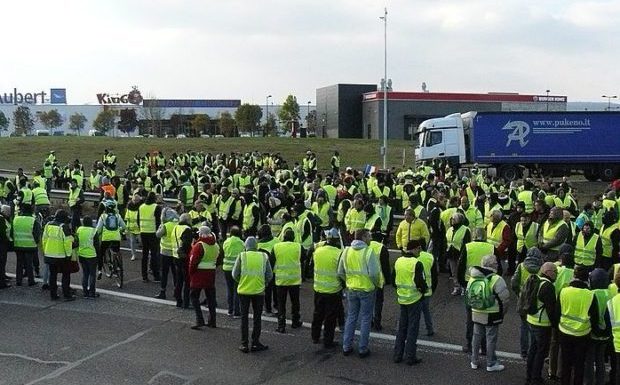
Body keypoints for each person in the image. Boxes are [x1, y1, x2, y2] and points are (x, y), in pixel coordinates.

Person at [338, 229, 382, 358]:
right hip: (367, 289)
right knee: (366, 318)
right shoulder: (369, 252)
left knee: (351, 317)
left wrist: (349, 281)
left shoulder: (346, 251)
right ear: (363, 237)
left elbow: (340, 272)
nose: (370, 239)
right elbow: (374, 273)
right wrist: (375, 284)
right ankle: (363, 348)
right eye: (369, 236)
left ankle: (346, 346)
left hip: (352, 288)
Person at [557, 265, 599, 385]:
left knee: (566, 363)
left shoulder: (564, 291)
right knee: (579, 364)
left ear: (574, 277)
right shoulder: (590, 295)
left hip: (564, 331)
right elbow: (594, 317)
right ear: (587, 279)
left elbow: (557, 313)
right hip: (582, 333)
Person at [468, 254, 510, 372]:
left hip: (476, 310)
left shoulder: (473, 277)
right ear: (492, 265)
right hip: (492, 313)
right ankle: (491, 363)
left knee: (476, 336)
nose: (497, 264)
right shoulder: (496, 279)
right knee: (491, 338)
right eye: (496, 263)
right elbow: (505, 299)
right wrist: (503, 313)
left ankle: (474, 361)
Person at [232, 237, 273, 353]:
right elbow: (269, 275)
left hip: (244, 291)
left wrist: (242, 281)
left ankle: (244, 344)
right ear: (257, 246)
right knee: (257, 318)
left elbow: (235, 274)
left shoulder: (242, 256)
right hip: (259, 291)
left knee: (244, 318)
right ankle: (255, 342)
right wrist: (263, 283)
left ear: (246, 246)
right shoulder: (263, 256)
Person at [393, 239, 429, 365]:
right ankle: (410, 356)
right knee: (412, 329)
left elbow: (393, 280)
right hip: (414, 299)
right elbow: (421, 283)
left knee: (402, 327)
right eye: (419, 248)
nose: (420, 251)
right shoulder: (417, 263)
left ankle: (397, 354)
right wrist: (423, 291)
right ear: (414, 249)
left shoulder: (398, 261)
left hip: (402, 298)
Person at [525, 262, 558, 385]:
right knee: (541, 352)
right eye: (555, 272)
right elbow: (551, 309)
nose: (556, 274)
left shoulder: (534, 280)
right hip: (542, 323)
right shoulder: (548, 286)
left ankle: (529, 376)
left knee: (532, 350)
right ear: (548, 272)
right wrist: (555, 324)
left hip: (531, 320)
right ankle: (536, 378)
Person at [311, 228, 343, 348]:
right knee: (330, 318)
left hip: (318, 288)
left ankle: (315, 336)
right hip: (333, 290)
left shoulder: (318, 251)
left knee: (317, 314)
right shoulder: (339, 253)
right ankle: (328, 341)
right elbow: (341, 272)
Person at [584, 268, 611, 385]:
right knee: (600, 360)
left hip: (593, 333)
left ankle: (588, 382)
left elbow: (590, 314)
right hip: (606, 334)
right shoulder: (611, 294)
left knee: (589, 360)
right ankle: (600, 381)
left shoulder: (591, 294)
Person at [188, 226, 219, 330]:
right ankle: (212, 320)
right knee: (211, 298)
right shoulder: (216, 245)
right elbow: (220, 258)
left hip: (198, 274)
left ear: (200, 234)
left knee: (194, 297)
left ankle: (199, 319)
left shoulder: (199, 245)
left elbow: (193, 262)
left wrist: (191, 273)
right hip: (211, 274)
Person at [273, 229, 303, 333]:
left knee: (281, 304)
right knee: (295, 302)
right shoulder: (298, 246)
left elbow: (272, 261)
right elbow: (303, 258)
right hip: (294, 280)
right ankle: (295, 321)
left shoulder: (277, 247)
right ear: (293, 237)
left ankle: (281, 325)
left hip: (281, 280)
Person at [42, 209, 75, 301]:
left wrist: (45, 251)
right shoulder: (63, 227)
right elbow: (67, 243)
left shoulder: (48, 225)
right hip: (61, 256)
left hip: (49, 254)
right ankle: (66, 294)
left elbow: (44, 239)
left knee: (53, 275)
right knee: (66, 274)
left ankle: (53, 294)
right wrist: (69, 255)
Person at [12, 204, 41, 287]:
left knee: (19, 263)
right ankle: (30, 281)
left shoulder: (16, 219)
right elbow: (37, 233)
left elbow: (12, 231)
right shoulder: (33, 220)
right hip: (30, 245)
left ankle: (18, 281)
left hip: (18, 244)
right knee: (29, 264)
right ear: (31, 210)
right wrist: (36, 242)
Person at [95, 200, 126, 278]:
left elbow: (98, 229)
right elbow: (124, 226)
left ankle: (99, 271)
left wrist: (96, 235)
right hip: (116, 237)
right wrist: (121, 231)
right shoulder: (118, 216)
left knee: (101, 254)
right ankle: (118, 266)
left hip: (106, 238)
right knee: (116, 251)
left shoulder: (103, 216)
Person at [154, 208, 179, 299]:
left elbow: (158, 234)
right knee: (175, 273)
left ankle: (163, 291)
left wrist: (161, 224)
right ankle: (177, 291)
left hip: (165, 252)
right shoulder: (177, 225)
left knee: (164, 273)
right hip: (175, 252)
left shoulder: (165, 225)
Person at [139, 192, 162, 282]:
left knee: (144, 255)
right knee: (154, 255)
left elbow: (138, 219)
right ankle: (156, 275)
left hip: (143, 232)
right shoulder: (156, 207)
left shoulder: (141, 207)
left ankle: (144, 276)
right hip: (153, 233)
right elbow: (158, 221)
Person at [446, 212, 471, 295]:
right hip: (451, 253)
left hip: (460, 254)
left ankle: (463, 287)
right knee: (454, 273)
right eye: (451, 219)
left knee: (462, 272)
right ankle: (457, 287)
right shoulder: (450, 229)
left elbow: (466, 243)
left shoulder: (465, 229)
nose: (452, 220)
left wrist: (463, 254)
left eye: (453, 219)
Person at [222, 226, 245, 317]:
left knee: (229, 289)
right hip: (237, 269)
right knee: (237, 290)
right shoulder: (241, 243)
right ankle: (237, 311)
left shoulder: (226, 242)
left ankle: (230, 310)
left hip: (226, 268)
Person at [172, 213, 194, 308]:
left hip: (175, 256)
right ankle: (186, 302)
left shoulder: (175, 227)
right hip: (184, 257)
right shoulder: (187, 229)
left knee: (179, 280)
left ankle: (178, 300)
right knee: (187, 281)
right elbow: (187, 244)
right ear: (188, 220)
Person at [75, 216, 98, 298]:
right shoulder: (94, 231)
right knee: (92, 274)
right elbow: (97, 245)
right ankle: (92, 292)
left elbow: (76, 241)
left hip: (81, 254)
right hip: (91, 255)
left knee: (85, 274)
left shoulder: (79, 230)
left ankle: (85, 292)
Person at [124, 194, 142, 261]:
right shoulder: (129, 206)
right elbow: (127, 218)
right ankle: (133, 255)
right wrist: (127, 228)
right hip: (132, 228)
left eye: (136, 200)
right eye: (134, 200)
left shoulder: (141, 207)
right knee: (132, 242)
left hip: (139, 228)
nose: (135, 201)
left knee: (141, 242)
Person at [0, 205, 12, 289]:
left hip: (3, 243)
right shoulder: (1, 219)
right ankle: (2, 283)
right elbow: (3, 233)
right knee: (1, 263)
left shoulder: (3, 218)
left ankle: (3, 277)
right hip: (2, 244)